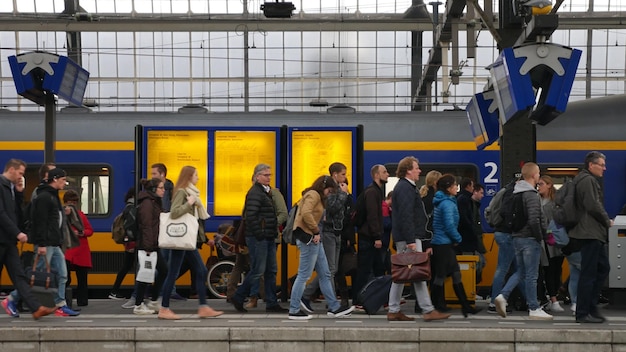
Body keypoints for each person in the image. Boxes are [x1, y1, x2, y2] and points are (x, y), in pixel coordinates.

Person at [7, 167, 80, 317]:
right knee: (36, 275)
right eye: (63, 180)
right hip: (45, 244)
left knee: (62, 274)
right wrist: (41, 244)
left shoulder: (53, 196)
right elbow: (40, 222)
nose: (65, 183)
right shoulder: (44, 197)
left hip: (54, 243)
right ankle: (12, 299)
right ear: (55, 179)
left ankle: (60, 304)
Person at [387, 156, 450, 322]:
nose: (419, 170)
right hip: (410, 237)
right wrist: (411, 241)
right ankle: (428, 310)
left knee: (402, 274)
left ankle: (394, 310)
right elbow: (406, 215)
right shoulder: (406, 188)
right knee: (419, 272)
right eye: (417, 167)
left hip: (408, 237)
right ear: (408, 170)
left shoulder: (403, 187)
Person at [160, 165, 223, 320]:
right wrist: (189, 203)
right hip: (183, 239)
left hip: (187, 240)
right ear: (189, 177)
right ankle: (166, 308)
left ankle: (202, 307)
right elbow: (174, 213)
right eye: (196, 175)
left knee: (195, 271)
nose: (198, 178)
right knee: (191, 272)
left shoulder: (190, 192)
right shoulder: (182, 192)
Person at [288, 175, 355, 320]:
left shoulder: (316, 196)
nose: (329, 194)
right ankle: (293, 309)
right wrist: (316, 231)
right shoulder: (313, 194)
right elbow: (306, 213)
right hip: (309, 239)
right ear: (324, 187)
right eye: (329, 191)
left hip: (314, 240)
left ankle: (334, 307)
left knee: (325, 274)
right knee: (303, 275)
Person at [494, 162, 552, 320]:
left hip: (517, 237)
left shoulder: (516, 192)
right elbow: (534, 219)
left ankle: (503, 296)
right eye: (538, 173)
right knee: (532, 275)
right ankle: (533, 308)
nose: (539, 175)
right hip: (529, 239)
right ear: (534, 175)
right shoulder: (531, 195)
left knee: (521, 272)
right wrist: (540, 237)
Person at [0, 159, 56, 319]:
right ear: (11, 169)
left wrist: (18, 193)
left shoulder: (10, 187)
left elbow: (16, 213)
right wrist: (18, 233)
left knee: (20, 276)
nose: (21, 177)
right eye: (20, 173)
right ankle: (36, 307)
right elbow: (1, 214)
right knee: (19, 275)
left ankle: (36, 308)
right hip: (3, 238)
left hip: (8, 241)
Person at [232, 164, 287, 313]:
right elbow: (251, 216)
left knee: (271, 270)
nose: (269, 177)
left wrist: (269, 229)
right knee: (258, 269)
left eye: (270, 175)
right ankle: (238, 296)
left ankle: (271, 302)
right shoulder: (255, 192)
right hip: (259, 238)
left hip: (268, 236)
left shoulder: (266, 192)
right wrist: (260, 233)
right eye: (265, 175)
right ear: (257, 177)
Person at [301, 162, 352, 311]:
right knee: (329, 270)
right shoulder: (329, 190)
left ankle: (306, 295)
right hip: (328, 232)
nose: (345, 177)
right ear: (335, 174)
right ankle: (331, 305)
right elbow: (332, 208)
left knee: (331, 269)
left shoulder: (339, 189)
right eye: (343, 174)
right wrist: (343, 194)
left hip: (336, 232)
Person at [569, 151, 612, 323]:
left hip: (592, 233)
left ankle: (591, 308)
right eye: (601, 165)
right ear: (591, 165)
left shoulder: (585, 179)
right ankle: (583, 312)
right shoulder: (587, 180)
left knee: (602, 268)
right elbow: (593, 205)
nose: (604, 168)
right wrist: (606, 219)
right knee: (589, 273)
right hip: (589, 233)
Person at [430, 174, 481, 317]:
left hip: (443, 243)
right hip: (443, 244)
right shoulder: (447, 204)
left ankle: (464, 306)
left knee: (454, 273)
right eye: (454, 185)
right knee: (441, 276)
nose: (456, 187)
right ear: (448, 188)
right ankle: (435, 306)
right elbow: (449, 225)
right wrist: (458, 238)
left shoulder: (447, 201)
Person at [132, 178, 169, 315]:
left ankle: (152, 301)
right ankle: (139, 305)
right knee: (145, 274)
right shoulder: (147, 204)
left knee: (162, 270)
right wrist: (148, 246)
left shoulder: (154, 202)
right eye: (161, 188)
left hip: (153, 244)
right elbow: (146, 226)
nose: (163, 190)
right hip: (147, 245)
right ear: (154, 190)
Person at [352, 164, 388, 302]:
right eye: (384, 172)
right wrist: (377, 237)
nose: (387, 174)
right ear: (377, 175)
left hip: (369, 237)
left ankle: (379, 298)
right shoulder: (373, 192)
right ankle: (358, 300)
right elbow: (373, 216)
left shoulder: (374, 191)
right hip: (369, 238)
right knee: (365, 270)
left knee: (378, 269)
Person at [537, 175, 566, 313]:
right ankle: (553, 299)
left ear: (549, 185)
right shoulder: (538, 200)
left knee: (555, 269)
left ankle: (554, 297)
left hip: (556, 241)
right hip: (546, 242)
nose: (539, 186)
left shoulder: (555, 202)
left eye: (541, 184)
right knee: (548, 270)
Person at [63, 190, 94, 307]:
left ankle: (81, 301)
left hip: (78, 251)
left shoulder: (81, 215)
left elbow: (90, 231)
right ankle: (66, 301)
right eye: (70, 202)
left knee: (81, 279)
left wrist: (82, 233)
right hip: (70, 251)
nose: (72, 205)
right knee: (66, 277)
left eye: (74, 202)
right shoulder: (61, 215)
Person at [109, 187, 139, 305]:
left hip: (129, 242)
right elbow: (131, 227)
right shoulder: (131, 209)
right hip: (132, 243)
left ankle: (114, 291)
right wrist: (133, 241)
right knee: (129, 267)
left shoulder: (128, 207)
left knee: (126, 266)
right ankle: (114, 291)